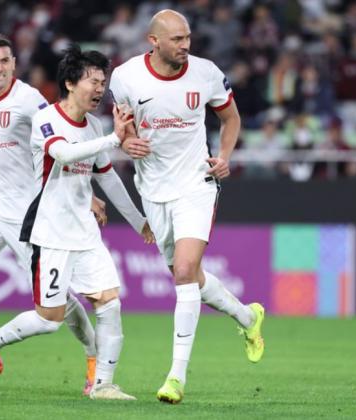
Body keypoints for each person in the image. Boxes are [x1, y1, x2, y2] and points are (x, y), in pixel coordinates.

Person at [0, 45, 154, 400]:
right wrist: (115, 139)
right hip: (50, 233)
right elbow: (63, 153)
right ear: (70, 83)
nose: (99, 89)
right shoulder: (47, 119)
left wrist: (139, 221)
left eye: (103, 82)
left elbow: (108, 178)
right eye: (92, 81)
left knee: (109, 301)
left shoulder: (94, 125)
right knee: (48, 319)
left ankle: (103, 384)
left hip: (85, 233)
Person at [109, 9, 265, 404]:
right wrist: (126, 142)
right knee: (190, 276)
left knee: (183, 271)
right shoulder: (125, 77)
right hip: (152, 188)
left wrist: (224, 157)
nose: (185, 45)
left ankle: (175, 377)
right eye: (177, 39)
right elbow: (122, 128)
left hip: (197, 183)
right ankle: (248, 317)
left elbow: (231, 119)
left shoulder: (206, 73)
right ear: (154, 41)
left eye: (188, 37)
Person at [0, 35, 107, 394]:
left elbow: (60, 135)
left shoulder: (29, 100)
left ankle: (93, 357)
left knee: (57, 302)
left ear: (14, 64)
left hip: (29, 212)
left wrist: (87, 194)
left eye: (5, 61)